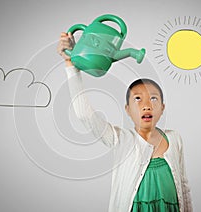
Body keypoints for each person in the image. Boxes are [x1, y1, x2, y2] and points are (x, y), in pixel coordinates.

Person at [57, 32, 193, 212]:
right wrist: (70, 64)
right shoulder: (120, 139)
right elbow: (83, 114)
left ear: (162, 107)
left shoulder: (175, 138)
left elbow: (183, 186)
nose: (146, 105)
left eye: (153, 99)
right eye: (138, 99)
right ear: (127, 109)